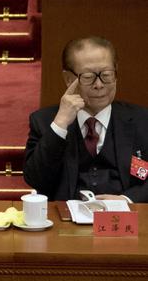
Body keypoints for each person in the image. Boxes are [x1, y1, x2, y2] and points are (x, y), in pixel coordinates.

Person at [24, 36, 148, 203]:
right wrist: (60, 125)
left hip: (125, 220)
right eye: (89, 77)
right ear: (69, 79)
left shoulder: (142, 120)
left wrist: (127, 199)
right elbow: (36, 179)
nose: (99, 84)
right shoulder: (45, 121)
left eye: (106, 74)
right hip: (65, 222)